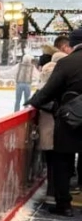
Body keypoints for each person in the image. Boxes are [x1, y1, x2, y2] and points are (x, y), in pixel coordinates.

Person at [30, 27, 82, 216]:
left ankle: (64, 205)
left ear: (73, 44)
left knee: (62, 160)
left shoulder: (67, 63)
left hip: (70, 120)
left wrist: (34, 102)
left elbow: (48, 91)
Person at [34, 49, 66, 205]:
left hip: (47, 125)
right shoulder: (60, 75)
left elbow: (38, 97)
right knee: (59, 163)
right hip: (59, 126)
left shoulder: (46, 74)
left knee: (51, 162)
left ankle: (51, 194)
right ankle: (55, 194)